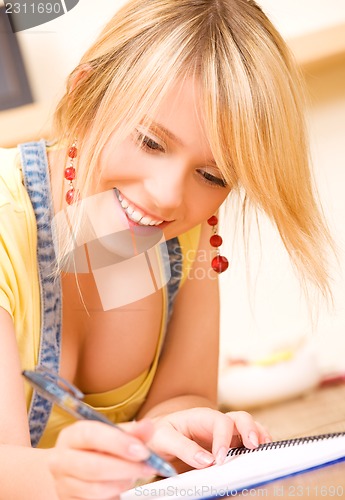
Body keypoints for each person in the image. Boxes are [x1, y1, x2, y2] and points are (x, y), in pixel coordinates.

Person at [0, 0, 332, 498]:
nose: (169, 195)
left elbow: (179, 396)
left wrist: (173, 429)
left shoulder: (175, 231)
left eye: (212, 175)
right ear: (87, 95)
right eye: (151, 142)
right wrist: (57, 478)